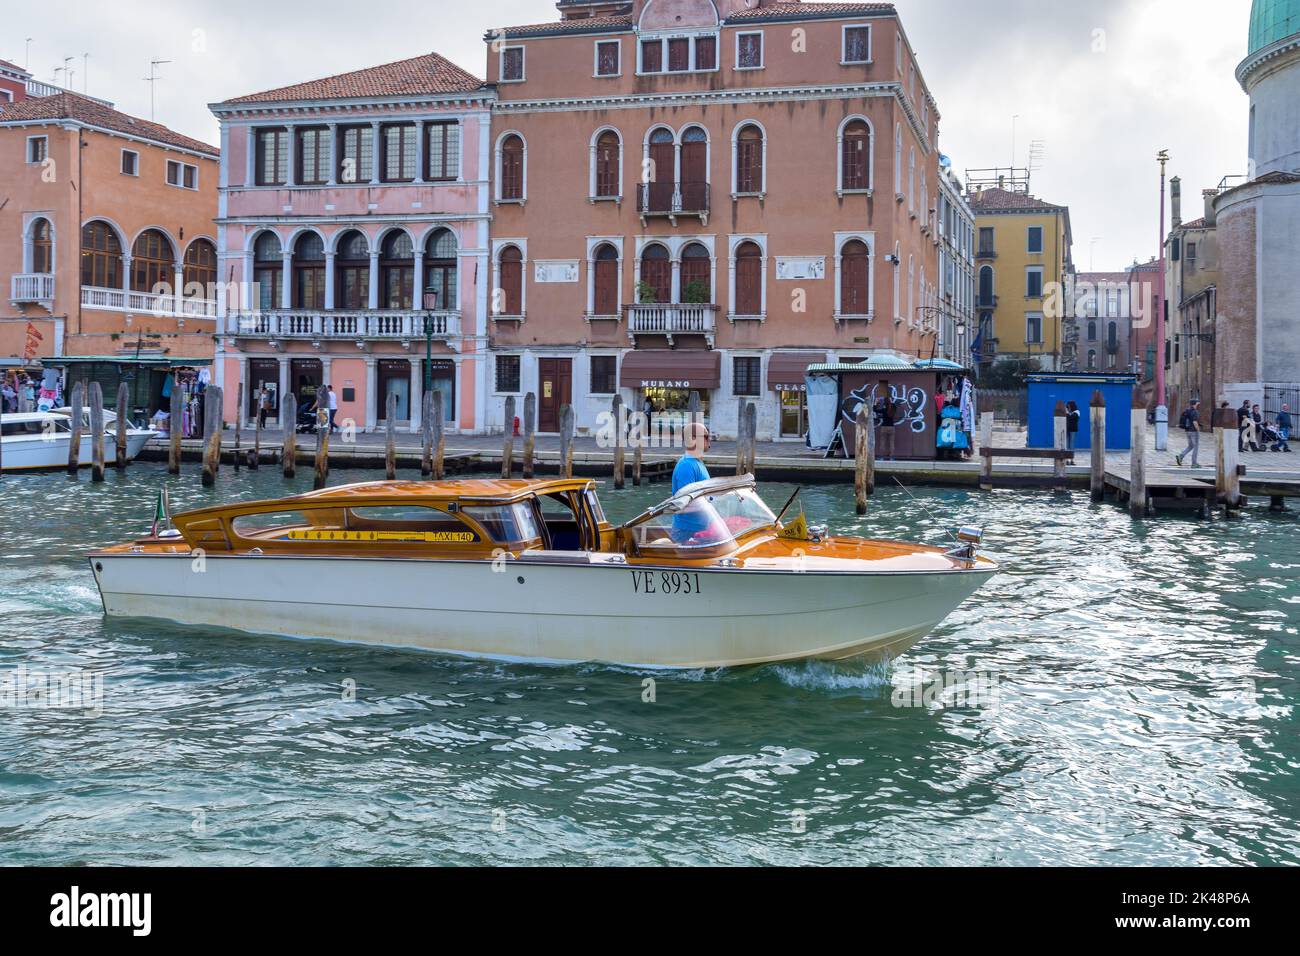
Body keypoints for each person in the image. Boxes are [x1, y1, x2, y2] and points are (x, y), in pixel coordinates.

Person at [671, 422, 712, 542]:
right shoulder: (686, 466)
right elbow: (685, 503)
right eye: (705, 436)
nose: (709, 440)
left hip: (701, 528)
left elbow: (705, 495)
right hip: (687, 532)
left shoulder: (697, 462)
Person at [1175, 399, 1201, 468]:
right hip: (1193, 431)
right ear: (1195, 404)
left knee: (1191, 446)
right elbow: (1195, 422)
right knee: (1196, 447)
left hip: (1187, 431)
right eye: (1197, 403)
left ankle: (1180, 457)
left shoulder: (1187, 410)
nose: (1198, 404)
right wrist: (1198, 430)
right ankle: (1194, 463)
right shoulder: (1195, 412)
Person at [875, 386, 897, 461]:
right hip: (892, 427)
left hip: (884, 427)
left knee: (882, 443)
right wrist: (890, 400)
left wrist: (876, 402)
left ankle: (882, 457)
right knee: (892, 443)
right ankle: (891, 457)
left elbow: (875, 410)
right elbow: (893, 404)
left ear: (884, 403)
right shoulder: (893, 408)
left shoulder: (884, 410)